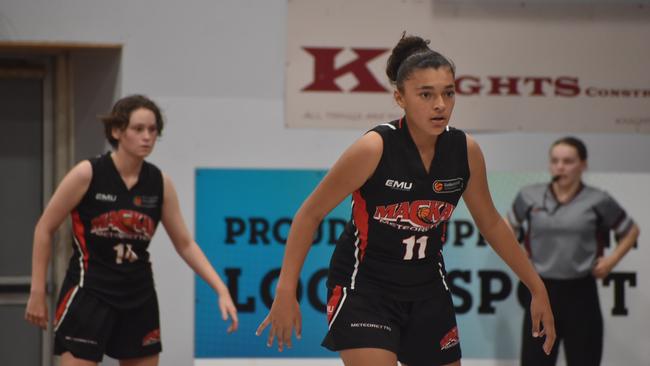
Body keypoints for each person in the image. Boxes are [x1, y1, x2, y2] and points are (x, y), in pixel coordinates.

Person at [256, 34, 556, 366]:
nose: (440, 104)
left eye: (448, 93)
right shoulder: (374, 147)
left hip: (427, 289)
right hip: (365, 288)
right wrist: (286, 291)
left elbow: (491, 222)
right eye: (426, 94)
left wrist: (536, 286)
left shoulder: (465, 151)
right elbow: (308, 215)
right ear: (400, 98)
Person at [24, 95, 239, 365]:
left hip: (138, 294)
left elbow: (185, 244)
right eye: (138, 129)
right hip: (90, 290)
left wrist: (221, 288)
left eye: (152, 130)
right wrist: (37, 290)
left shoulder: (160, 183)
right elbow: (44, 228)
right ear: (117, 131)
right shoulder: (87, 173)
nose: (147, 137)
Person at [506, 136, 639, 366]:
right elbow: (505, 228)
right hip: (540, 290)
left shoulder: (598, 200)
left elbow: (631, 230)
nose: (560, 166)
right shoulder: (530, 195)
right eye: (555, 160)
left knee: (584, 360)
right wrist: (518, 256)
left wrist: (611, 261)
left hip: (581, 292)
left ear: (583, 165)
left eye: (568, 161)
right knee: (536, 361)